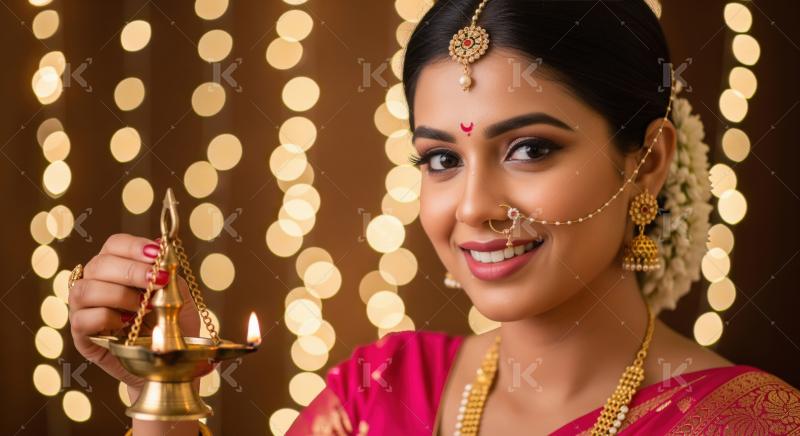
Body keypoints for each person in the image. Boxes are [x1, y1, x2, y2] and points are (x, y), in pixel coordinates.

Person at [68, 1, 799, 435]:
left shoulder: (746, 424)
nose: (475, 208)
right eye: (442, 159)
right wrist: (165, 386)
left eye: (530, 148)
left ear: (647, 160)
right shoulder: (380, 393)